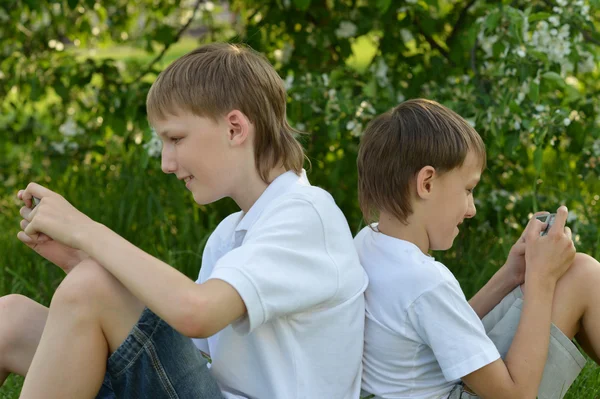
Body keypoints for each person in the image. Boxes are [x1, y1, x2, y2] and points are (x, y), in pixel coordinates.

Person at [0, 43, 368, 399]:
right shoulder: (232, 233)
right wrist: (78, 259)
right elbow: (176, 340)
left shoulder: (306, 215)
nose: (166, 162)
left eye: (175, 138)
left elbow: (197, 314)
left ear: (235, 129)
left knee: (92, 284)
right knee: (10, 319)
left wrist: (87, 232)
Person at [356, 98, 600, 399]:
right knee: (584, 276)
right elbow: (516, 395)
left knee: (580, 271)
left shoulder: (369, 243)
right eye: (468, 190)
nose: (471, 209)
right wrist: (541, 279)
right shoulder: (425, 282)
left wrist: (512, 274)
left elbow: (444, 325)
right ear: (427, 183)